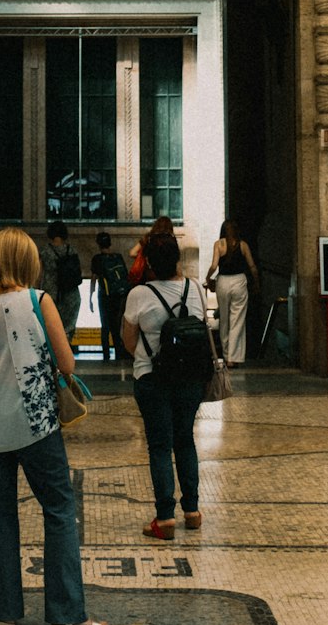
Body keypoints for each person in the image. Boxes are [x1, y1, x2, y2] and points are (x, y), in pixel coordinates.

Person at [0, 226, 105, 625]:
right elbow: (68, 364)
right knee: (58, 509)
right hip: (34, 423)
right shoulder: (39, 301)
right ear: (29, 263)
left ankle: (4, 613)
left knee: (1, 513)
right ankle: (65, 614)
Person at [123, 230, 206, 538]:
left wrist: (151, 356)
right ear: (177, 259)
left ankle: (165, 517)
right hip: (191, 378)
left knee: (160, 446)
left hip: (153, 378)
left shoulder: (139, 295)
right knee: (185, 440)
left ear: (149, 263)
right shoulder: (195, 289)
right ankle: (193, 511)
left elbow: (128, 340)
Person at [204, 219, 258, 368]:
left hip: (223, 282)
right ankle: (232, 358)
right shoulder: (243, 245)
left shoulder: (219, 244)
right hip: (239, 281)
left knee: (224, 320)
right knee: (237, 320)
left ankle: (226, 353)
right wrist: (256, 282)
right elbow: (252, 267)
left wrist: (208, 278)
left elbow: (214, 265)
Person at [90, 231, 131, 362]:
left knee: (105, 327)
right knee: (116, 326)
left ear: (98, 244)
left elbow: (93, 279)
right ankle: (118, 355)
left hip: (104, 296)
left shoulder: (97, 259)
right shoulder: (118, 257)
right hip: (119, 296)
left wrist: (90, 298)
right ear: (110, 243)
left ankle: (106, 356)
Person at [38, 220, 82, 341]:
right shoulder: (72, 250)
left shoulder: (45, 251)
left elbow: (39, 274)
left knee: (51, 329)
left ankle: (54, 355)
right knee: (67, 329)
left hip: (51, 294)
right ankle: (66, 350)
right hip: (71, 294)